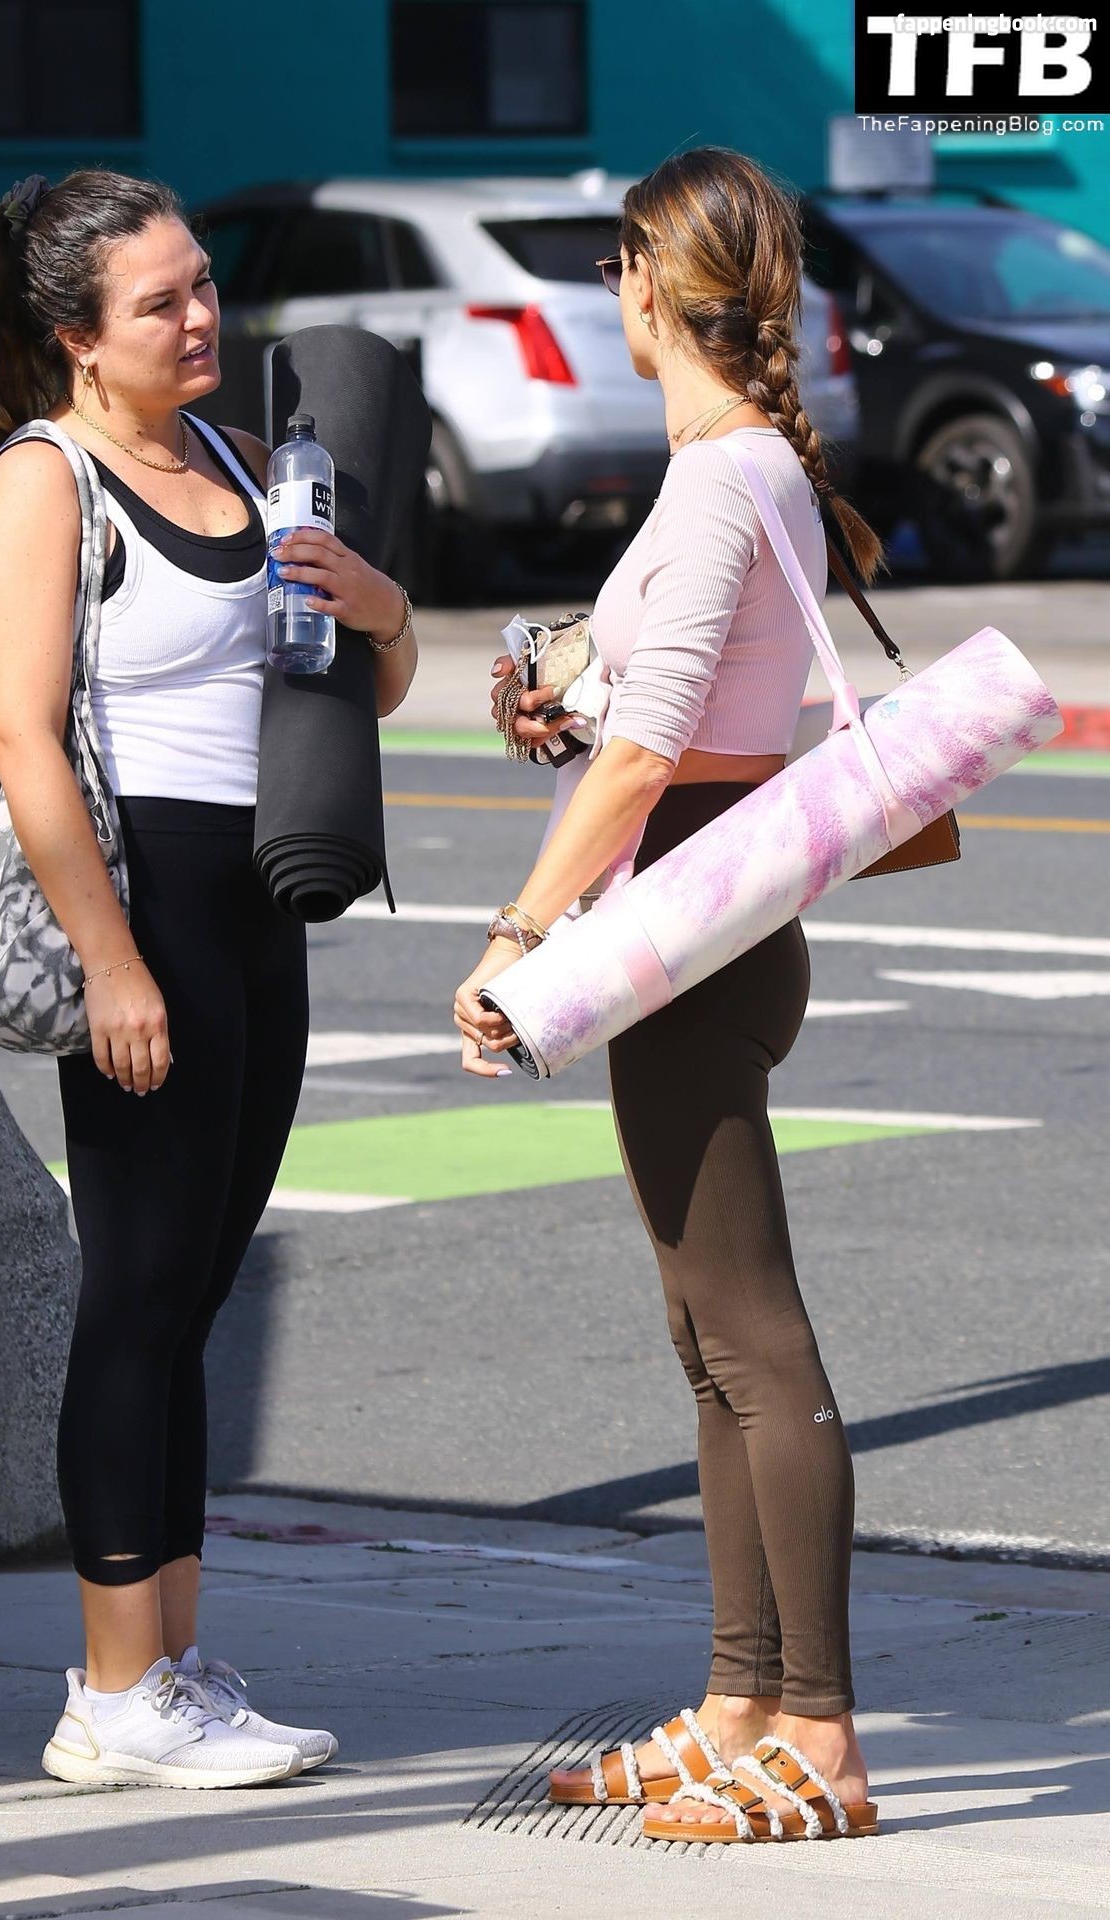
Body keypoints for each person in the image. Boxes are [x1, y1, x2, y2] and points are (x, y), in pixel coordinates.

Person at [0, 169, 418, 1789]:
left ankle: (176, 1670)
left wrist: (383, 608)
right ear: (80, 337)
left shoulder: (235, 455)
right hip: (141, 912)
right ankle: (111, 1690)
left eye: (204, 282)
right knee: (134, 1299)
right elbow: (21, 740)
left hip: (255, 914)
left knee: (195, 1298)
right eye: (163, 300)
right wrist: (111, 963)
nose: (203, 314)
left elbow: (353, 680)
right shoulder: (43, 481)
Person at [453, 148, 882, 1844]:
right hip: (697, 911)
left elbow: (648, 758)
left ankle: (822, 1738)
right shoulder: (726, 467)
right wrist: (559, 688)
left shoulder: (724, 478)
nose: (611, 293)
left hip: (690, 922)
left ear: (650, 277)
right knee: (710, 1341)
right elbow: (651, 709)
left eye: (614, 268)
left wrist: (516, 933)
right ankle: (739, 1703)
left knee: (753, 1335)